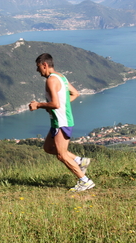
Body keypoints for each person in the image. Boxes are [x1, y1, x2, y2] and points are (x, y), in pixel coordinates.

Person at [29, 53, 94, 192]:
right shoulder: (61, 77)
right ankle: (79, 161)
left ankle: (84, 181)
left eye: (38, 67)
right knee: (48, 148)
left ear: (45, 65)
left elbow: (56, 104)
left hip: (61, 122)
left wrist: (38, 105)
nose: (37, 70)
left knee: (61, 155)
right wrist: (59, 106)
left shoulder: (51, 80)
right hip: (58, 121)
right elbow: (75, 94)